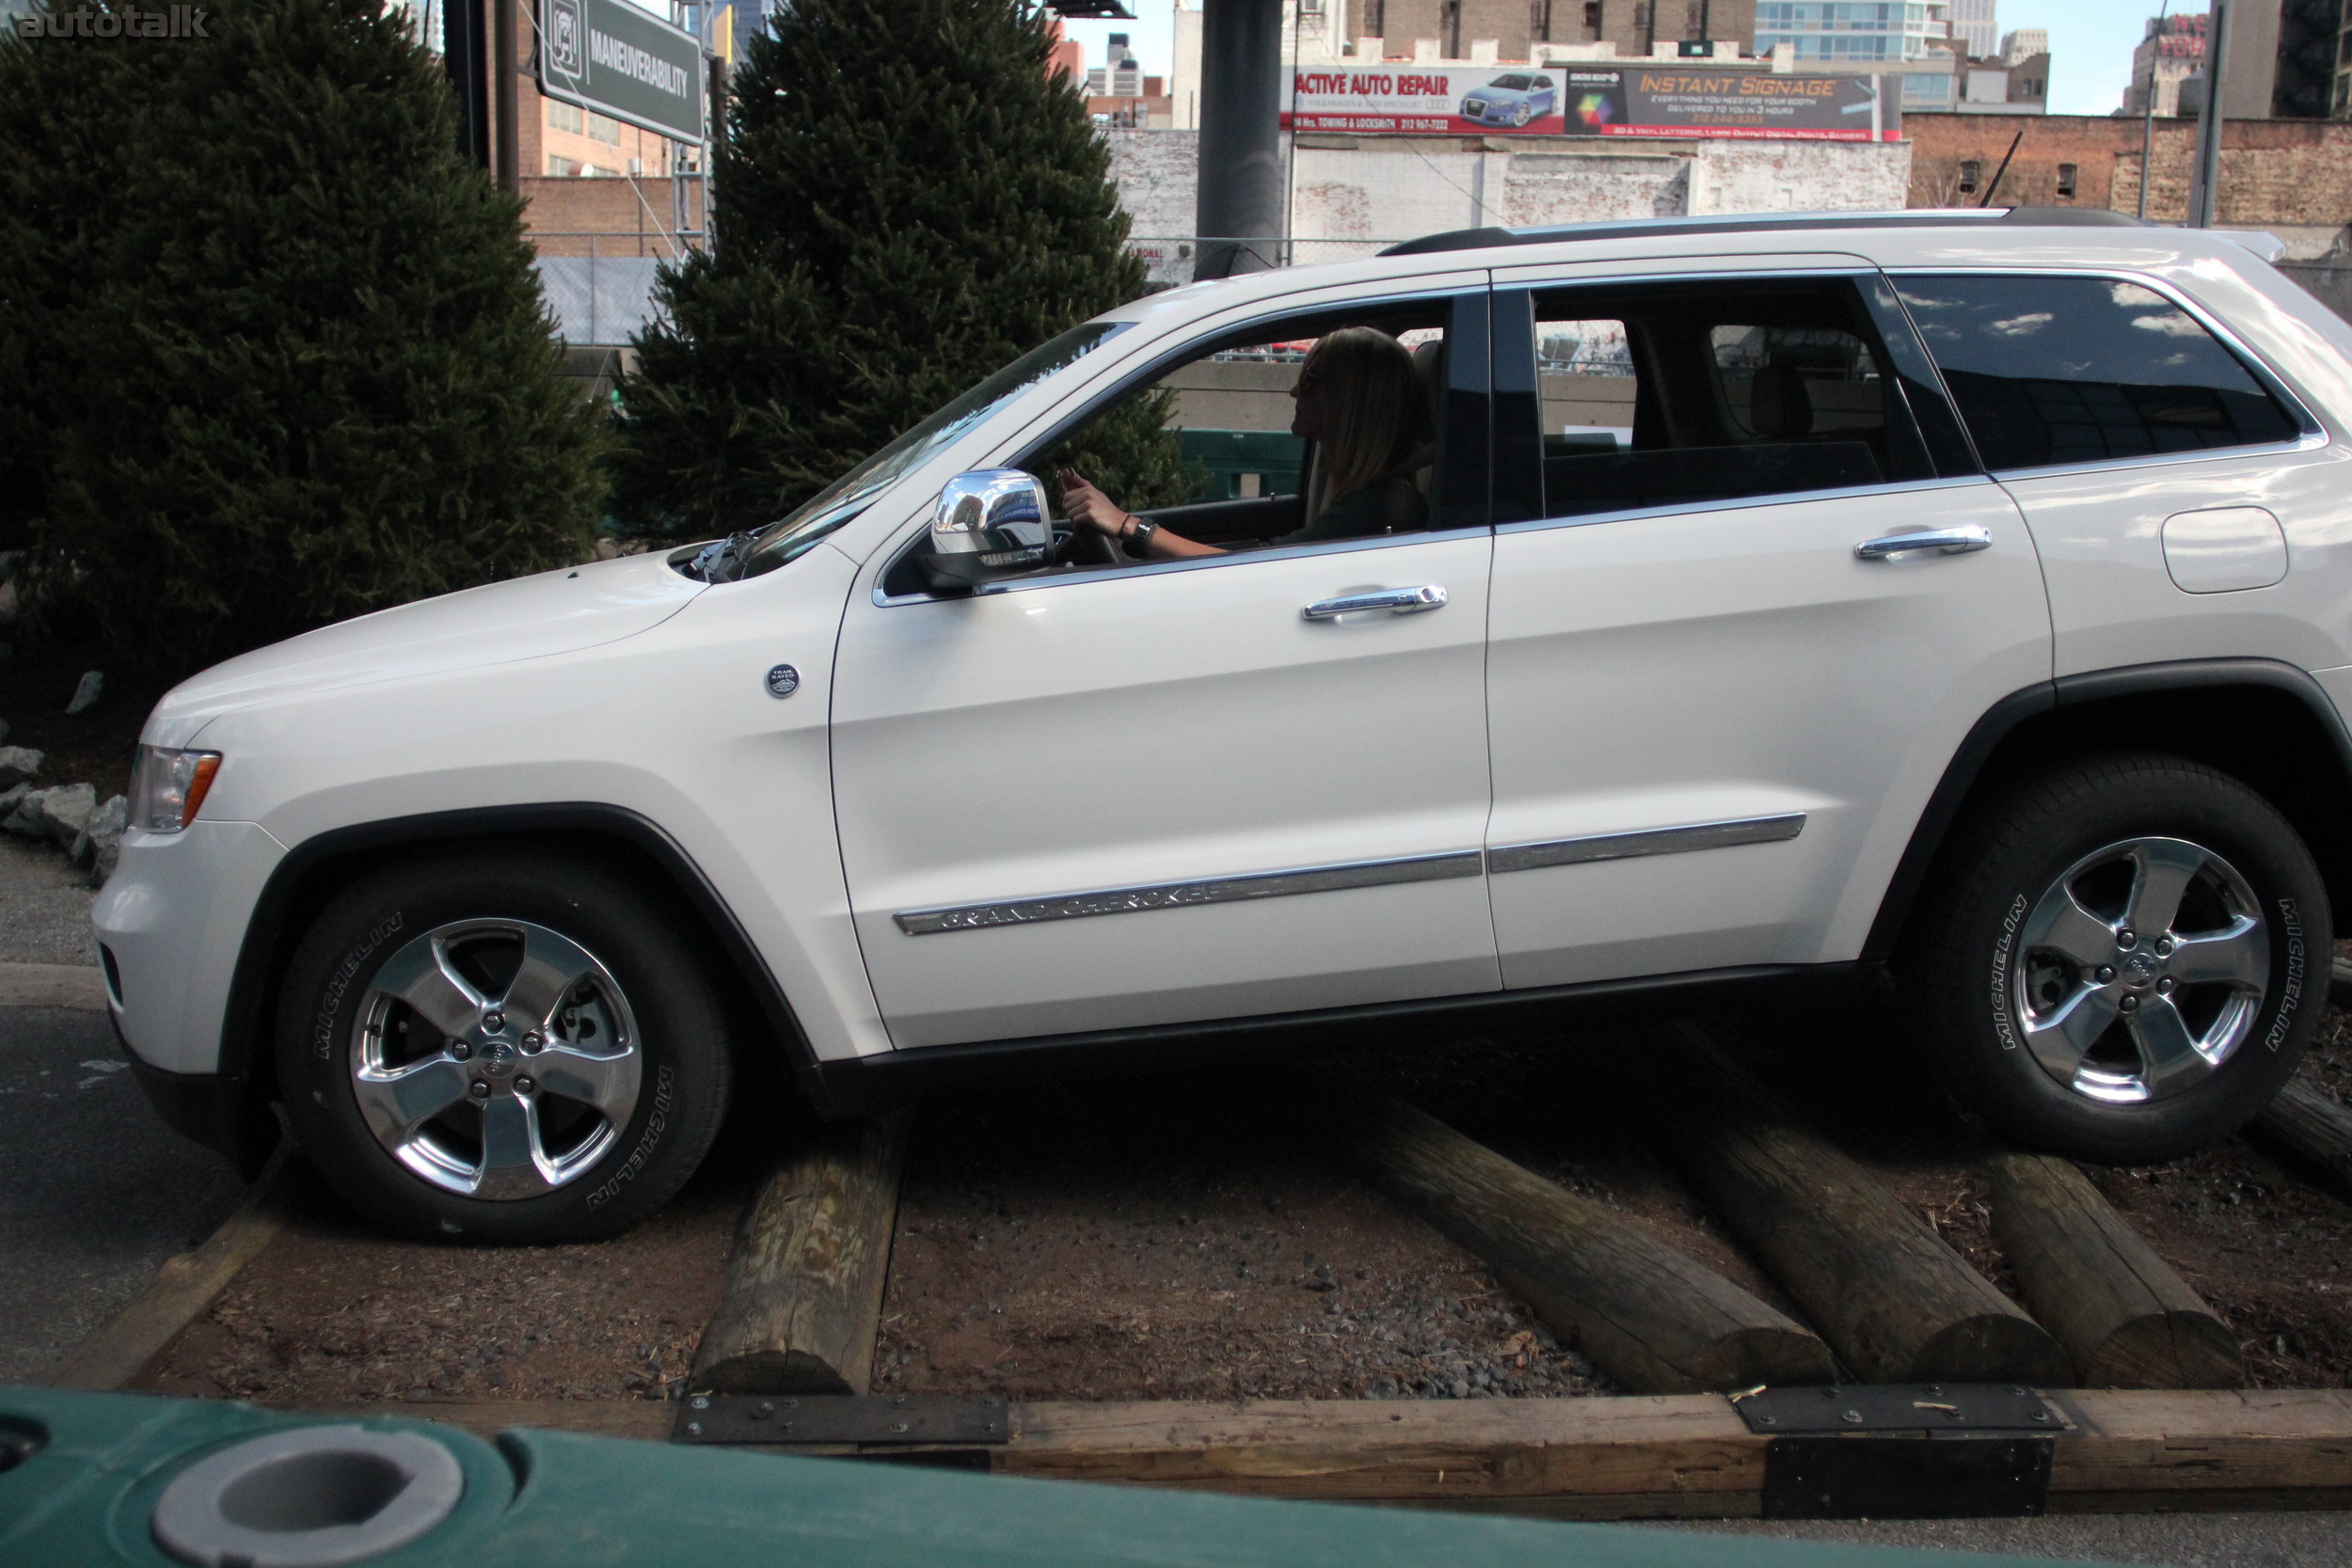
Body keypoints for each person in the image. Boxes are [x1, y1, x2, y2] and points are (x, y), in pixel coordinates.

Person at [1058, 325, 1429, 560]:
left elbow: (1258, 567)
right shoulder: (1362, 497)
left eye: (1311, 380)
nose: (1294, 390)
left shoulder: (1379, 506)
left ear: (1352, 400)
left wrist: (1129, 526)